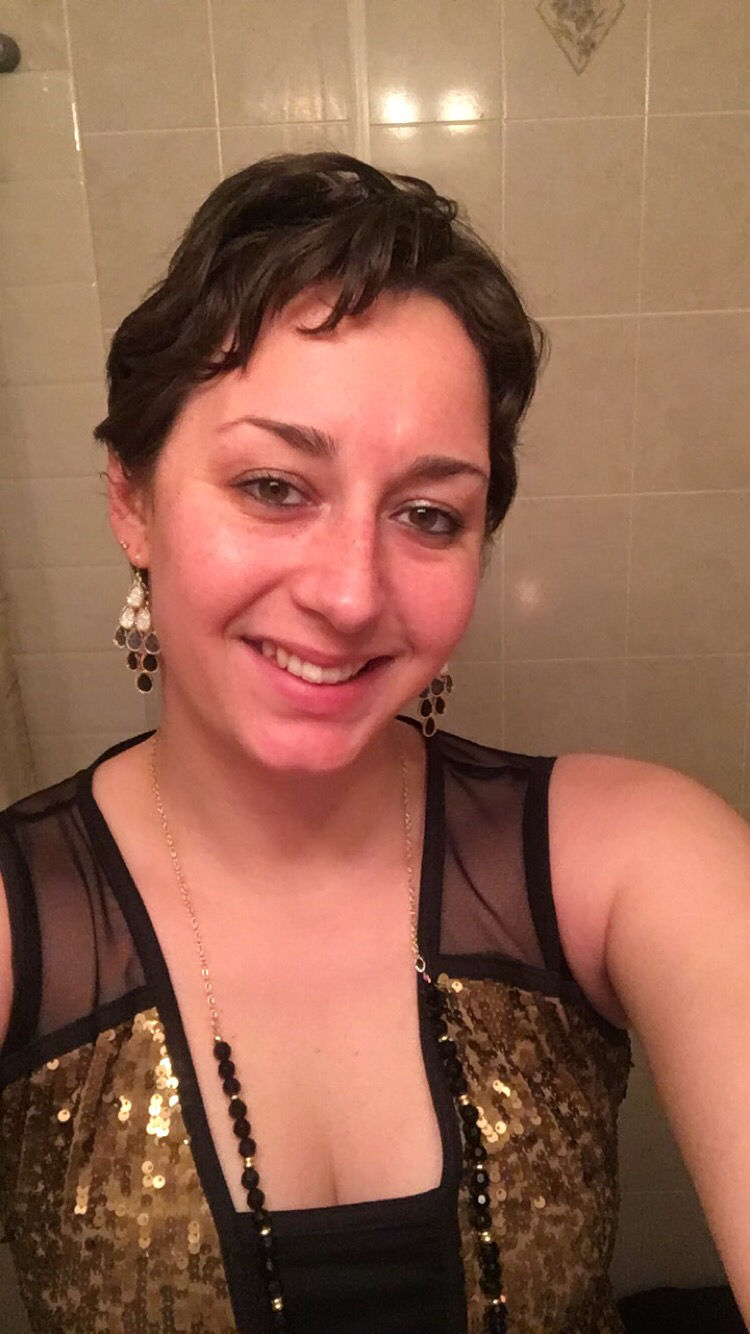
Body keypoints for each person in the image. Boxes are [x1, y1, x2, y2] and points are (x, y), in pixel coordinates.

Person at [0, 152, 747, 1334]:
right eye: (274, 485)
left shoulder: (634, 857)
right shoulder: (19, 923)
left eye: (429, 514)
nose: (351, 595)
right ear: (132, 501)